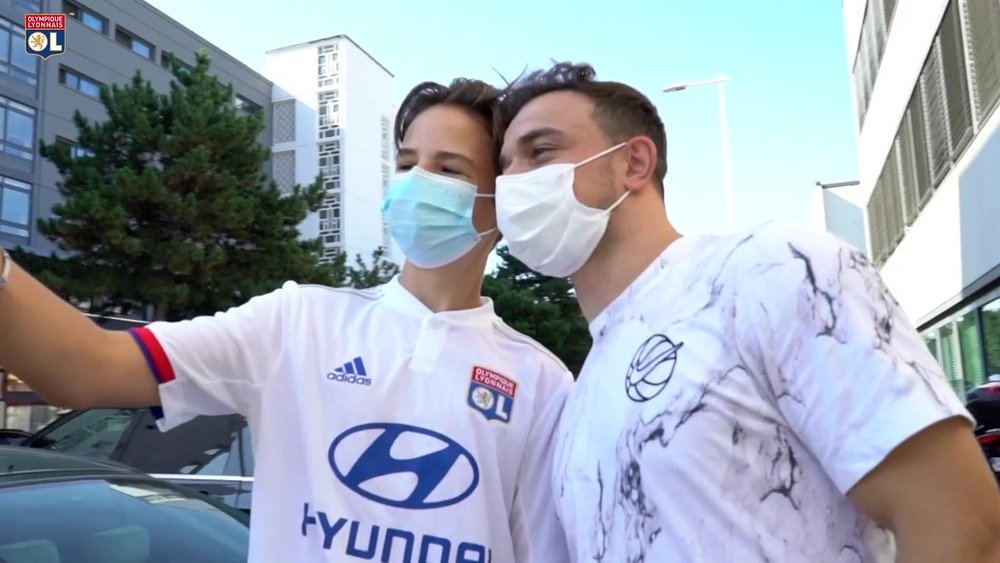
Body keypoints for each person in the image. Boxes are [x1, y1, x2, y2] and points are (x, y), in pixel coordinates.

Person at [0, 78, 573, 563]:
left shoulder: (541, 381)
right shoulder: (298, 320)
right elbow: (84, 368)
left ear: (500, 203)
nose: (416, 181)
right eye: (405, 163)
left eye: (447, 168)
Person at [493, 62, 1000, 562]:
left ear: (634, 163)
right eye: (504, 166)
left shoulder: (772, 270)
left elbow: (962, 528)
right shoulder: (580, 395)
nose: (512, 181)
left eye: (539, 152)